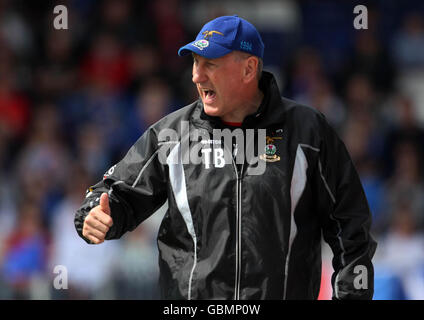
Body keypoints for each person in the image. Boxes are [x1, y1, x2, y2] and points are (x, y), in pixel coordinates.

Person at [75, 15, 377, 300]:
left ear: (249, 69)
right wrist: (96, 214)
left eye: (210, 64)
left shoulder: (309, 133)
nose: (196, 75)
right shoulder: (171, 134)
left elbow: (351, 229)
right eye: (195, 62)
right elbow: (114, 194)